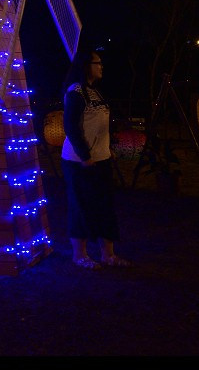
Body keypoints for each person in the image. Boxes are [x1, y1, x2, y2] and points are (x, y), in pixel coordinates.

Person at [60, 44, 133, 270]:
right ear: (85, 66)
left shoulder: (97, 91)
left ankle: (107, 254)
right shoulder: (76, 92)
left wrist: (106, 149)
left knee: (105, 205)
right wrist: (85, 155)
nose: (101, 66)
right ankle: (79, 255)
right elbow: (71, 126)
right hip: (79, 162)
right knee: (81, 205)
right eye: (97, 63)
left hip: (101, 158)